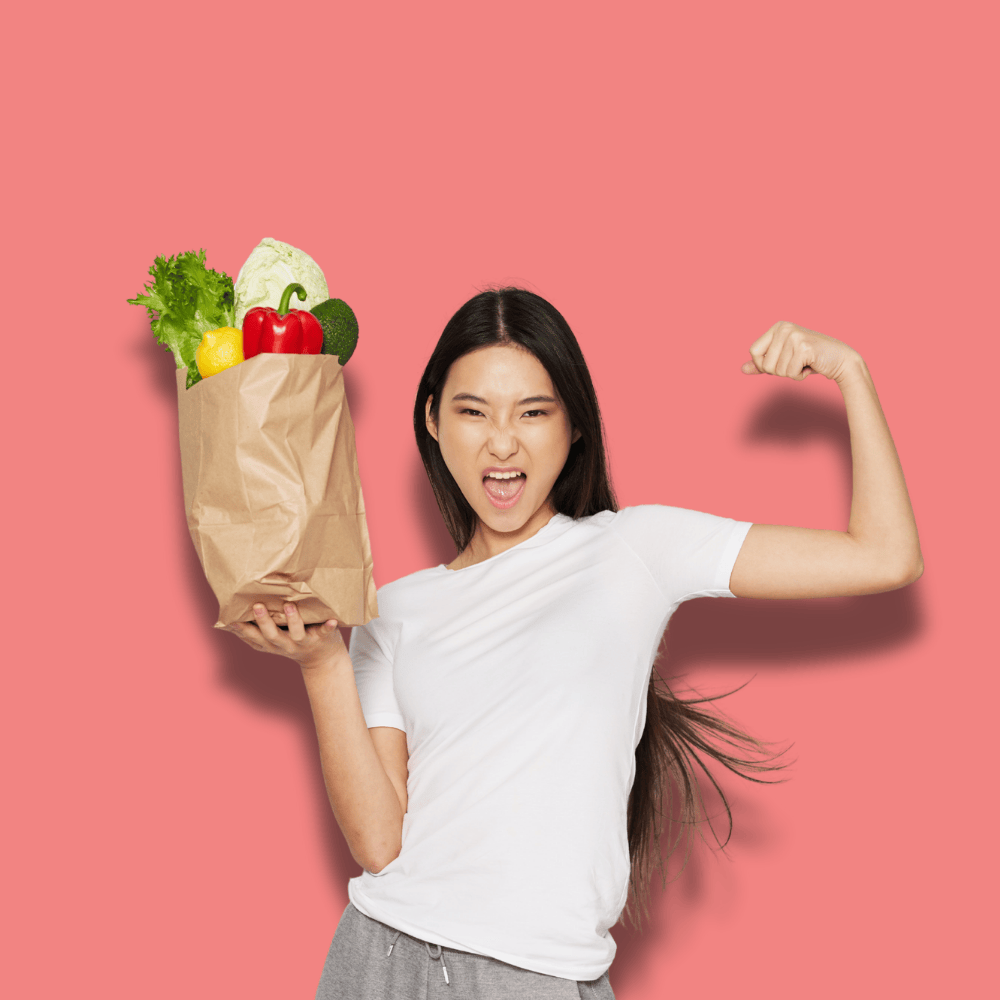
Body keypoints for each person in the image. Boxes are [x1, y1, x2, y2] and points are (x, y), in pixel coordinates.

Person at [226, 288, 922, 998]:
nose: (503, 442)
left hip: (542, 975)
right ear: (432, 420)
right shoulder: (391, 610)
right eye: (473, 412)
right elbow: (380, 844)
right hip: (382, 960)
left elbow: (884, 555)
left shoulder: (635, 551)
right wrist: (321, 662)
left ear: (575, 427)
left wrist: (849, 371)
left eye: (533, 412)